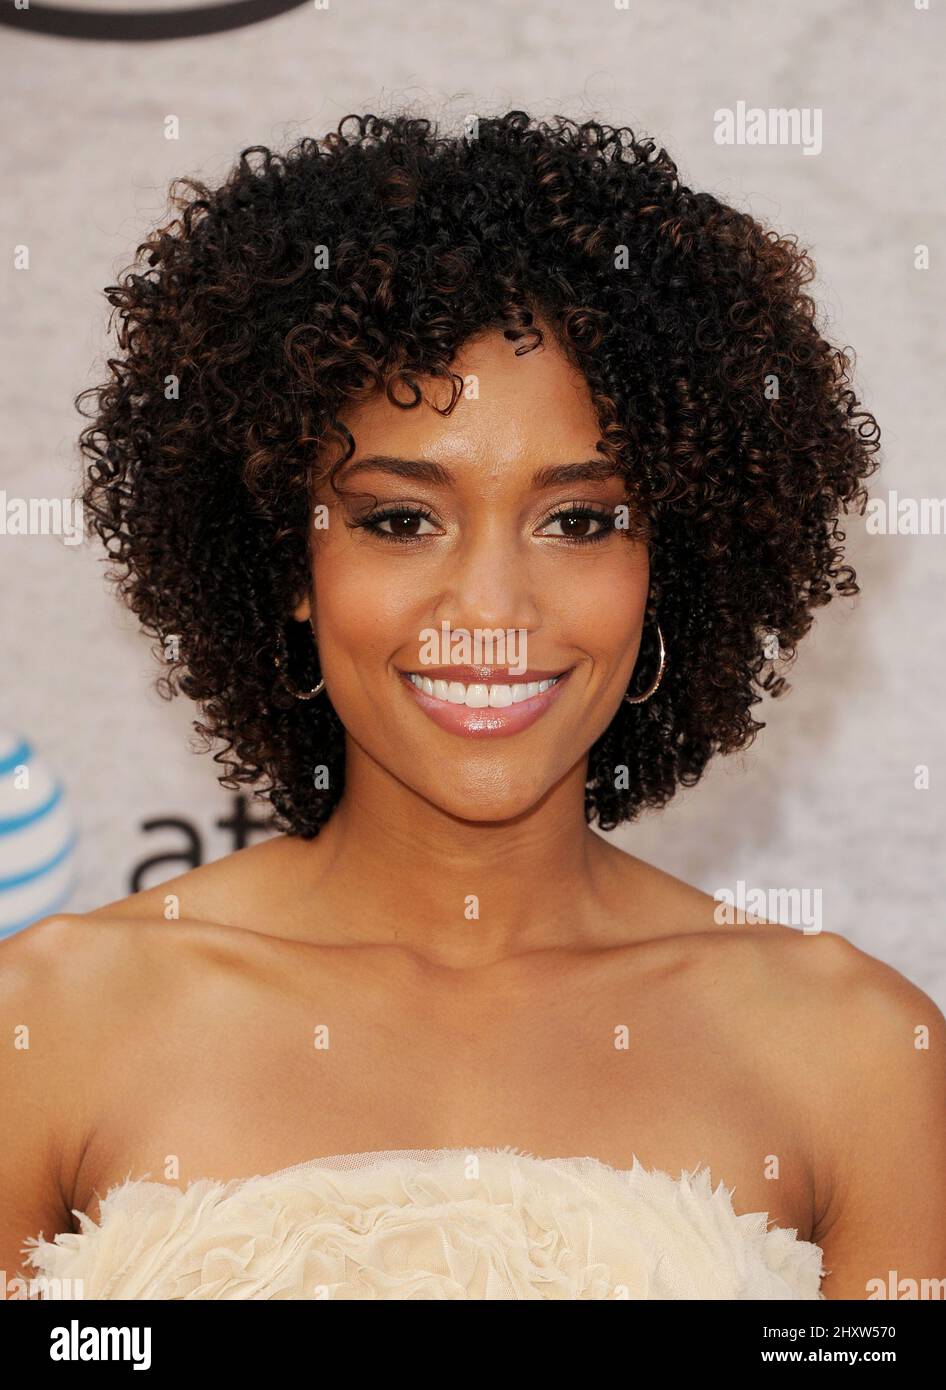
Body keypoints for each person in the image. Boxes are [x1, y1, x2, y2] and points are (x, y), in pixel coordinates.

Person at [3, 111, 944, 1301]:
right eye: (401, 519)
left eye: (579, 520)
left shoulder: (856, 1053)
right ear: (289, 565)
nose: (490, 608)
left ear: (670, 566)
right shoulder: (45, 1027)